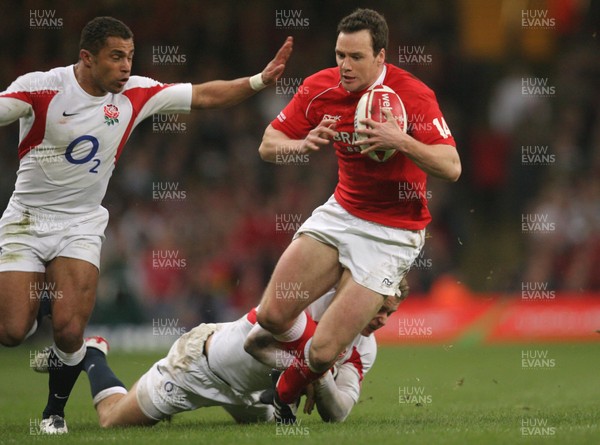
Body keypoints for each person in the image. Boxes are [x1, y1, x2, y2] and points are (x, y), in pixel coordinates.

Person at [0, 16, 292, 434]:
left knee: (69, 330)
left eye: (129, 57)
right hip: (26, 220)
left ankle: (53, 414)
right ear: (86, 58)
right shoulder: (43, 87)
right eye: (116, 57)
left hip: (81, 222)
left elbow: (205, 95)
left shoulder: (135, 93)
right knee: (12, 331)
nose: (125, 66)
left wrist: (259, 81)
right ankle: (47, 301)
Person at [246, 7, 460, 417]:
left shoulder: (413, 96)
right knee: (273, 316)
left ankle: (283, 398)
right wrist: (301, 145)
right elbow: (268, 144)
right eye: (340, 55)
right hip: (341, 213)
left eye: (356, 57)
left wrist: (401, 140)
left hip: (393, 233)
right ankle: (301, 374)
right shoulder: (320, 88)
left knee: (324, 349)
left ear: (381, 57)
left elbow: (451, 166)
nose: (344, 65)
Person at [74, 286, 404, 427]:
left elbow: (339, 413)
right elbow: (254, 344)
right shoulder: (304, 302)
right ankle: (92, 355)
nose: (383, 321)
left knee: (274, 425)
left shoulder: (365, 346)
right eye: (379, 309)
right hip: (198, 369)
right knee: (112, 421)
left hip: (246, 394)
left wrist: (319, 377)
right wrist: (307, 368)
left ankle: (260, 398)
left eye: (391, 313)